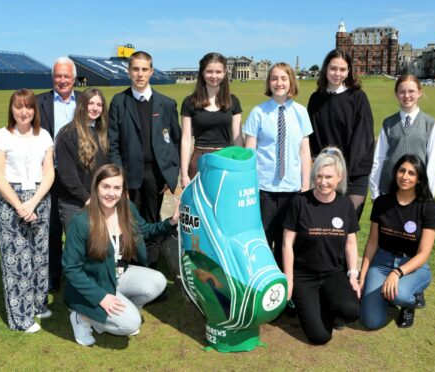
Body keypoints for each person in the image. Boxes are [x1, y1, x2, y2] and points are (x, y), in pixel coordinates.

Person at [62, 164, 179, 346]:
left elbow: (145, 230)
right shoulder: (81, 221)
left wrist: (171, 222)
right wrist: (101, 297)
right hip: (95, 282)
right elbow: (71, 268)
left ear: (123, 190)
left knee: (158, 281)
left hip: (118, 274)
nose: (111, 193)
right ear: (96, 188)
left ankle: (122, 309)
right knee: (131, 324)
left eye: (117, 188)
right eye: (106, 186)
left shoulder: (126, 208)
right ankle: (82, 316)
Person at [108, 51, 181, 273]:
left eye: (144, 69)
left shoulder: (167, 104)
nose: (139, 74)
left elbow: (175, 142)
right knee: (125, 224)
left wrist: (170, 175)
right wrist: (118, 181)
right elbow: (113, 144)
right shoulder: (119, 102)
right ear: (129, 71)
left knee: (152, 223)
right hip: (128, 176)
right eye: (135, 69)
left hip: (155, 176)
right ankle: (126, 271)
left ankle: (149, 270)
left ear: (151, 71)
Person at [0, 89, 55, 333]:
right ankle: (21, 318)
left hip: (39, 198)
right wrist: (20, 206)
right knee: (17, 259)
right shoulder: (1, 136)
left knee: (39, 254)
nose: (24, 111)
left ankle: (38, 305)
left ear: (35, 110)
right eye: (19, 106)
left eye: (28, 107)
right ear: (12, 109)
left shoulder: (44, 136)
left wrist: (34, 202)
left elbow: (49, 173)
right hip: (11, 202)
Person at [281, 147, 360, 344]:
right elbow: (286, 243)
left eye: (328, 177)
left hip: (332, 272)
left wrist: (352, 274)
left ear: (339, 177)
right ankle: (309, 303)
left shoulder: (345, 205)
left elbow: (350, 243)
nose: (323, 182)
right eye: (319, 176)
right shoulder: (299, 202)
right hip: (303, 275)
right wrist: (289, 279)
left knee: (351, 310)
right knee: (320, 337)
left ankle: (326, 301)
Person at [359, 154, 435, 329]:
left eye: (412, 173)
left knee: (400, 295)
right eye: (402, 171)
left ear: (419, 179)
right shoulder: (382, 202)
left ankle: (410, 301)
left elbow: (424, 253)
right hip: (381, 263)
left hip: (412, 266)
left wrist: (397, 273)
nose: (405, 176)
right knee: (371, 321)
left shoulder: (428, 207)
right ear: (395, 173)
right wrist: (363, 275)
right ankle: (388, 293)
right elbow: (372, 243)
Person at [244, 62, 312, 267]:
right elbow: (250, 151)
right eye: (274, 78)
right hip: (264, 187)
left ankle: (284, 283)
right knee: (263, 238)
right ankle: (262, 280)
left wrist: (305, 185)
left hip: (291, 188)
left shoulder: (300, 112)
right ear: (269, 82)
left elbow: (304, 151)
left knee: (287, 241)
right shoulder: (258, 112)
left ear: (291, 81)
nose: (279, 83)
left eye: (284, 78)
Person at [307, 49, 374, 221]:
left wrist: (342, 171)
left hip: (353, 175)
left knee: (346, 230)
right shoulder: (316, 99)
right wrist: (324, 169)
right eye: (333, 68)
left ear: (349, 71)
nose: (338, 74)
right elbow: (312, 139)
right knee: (324, 230)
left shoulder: (358, 97)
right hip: (324, 175)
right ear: (325, 69)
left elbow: (363, 139)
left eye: (343, 69)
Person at [37, 57, 82, 292]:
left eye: (66, 76)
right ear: (52, 77)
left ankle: (79, 273)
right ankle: (53, 275)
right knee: (52, 227)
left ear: (74, 78)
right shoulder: (39, 102)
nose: (62, 80)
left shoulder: (85, 102)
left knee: (78, 227)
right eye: (58, 76)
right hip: (49, 175)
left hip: (78, 175)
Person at [369, 74, 435, 201]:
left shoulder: (429, 123)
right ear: (396, 94)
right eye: (402, 92)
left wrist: (429, 195)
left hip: (417, 193)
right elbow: (378, 159)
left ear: (419, 92)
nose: (407, 96)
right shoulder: (388, 123)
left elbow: (433, 162)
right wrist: (375, 192)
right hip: (388, 189)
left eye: (411, 91)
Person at [180, 52, 243, 187]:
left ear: (224, 72)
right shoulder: (189, 102)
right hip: (200, 159)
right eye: (209, 71)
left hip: (226, 158)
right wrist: (184, 174)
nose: (214, 76)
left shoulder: (233, 101)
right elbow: (185, 139)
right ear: (202, 73)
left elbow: (238, 138)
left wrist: (241, 167)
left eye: (218, 72)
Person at [55, 88, 109, 232]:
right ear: (82, 105)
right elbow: (67, 175)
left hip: (101, 202)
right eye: (91, 103)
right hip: (75, 205)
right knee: (78, 251)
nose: (95, 108)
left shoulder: (103, 134)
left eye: (99, 104)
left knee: (99, 249)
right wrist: (87, 198)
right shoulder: (68, 134)